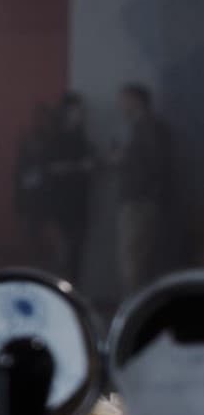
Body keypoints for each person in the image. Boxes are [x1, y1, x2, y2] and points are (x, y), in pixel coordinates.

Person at [112, 83, 172, 294]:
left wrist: (123, 158)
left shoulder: (146, 128)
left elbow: (154, 164)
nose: (120, 105)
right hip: (143, 200)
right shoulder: (143, 127)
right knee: (138, 259)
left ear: (136, 100)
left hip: (139, 201)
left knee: (132, 259)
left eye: (123, 100)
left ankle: (135, 306)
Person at [44, 93, 98, 285]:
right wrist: (80, 167)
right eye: (77, 110)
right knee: (64, 253)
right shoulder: (56, 137)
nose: (81, 114)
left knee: (76, 254)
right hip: (62, 203)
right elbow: (51, 168)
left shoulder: (82, 137)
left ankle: (72, 291)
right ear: (66, 112)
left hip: (80, 201)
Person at [14, 103, 55, 265]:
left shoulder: (48, 139)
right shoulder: (30, 139)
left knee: (38, 228)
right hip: (30, 193)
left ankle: (37, 260)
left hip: (41, 192)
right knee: (30, 229)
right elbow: (21, 169)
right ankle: (32, 260)